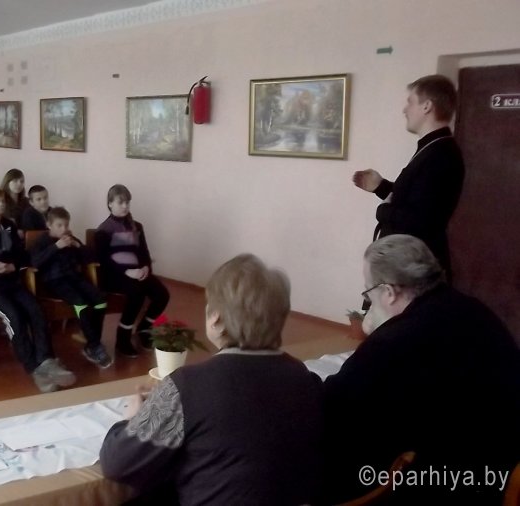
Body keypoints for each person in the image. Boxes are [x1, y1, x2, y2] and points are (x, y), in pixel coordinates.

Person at [100, 254, 323, 505]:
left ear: (215, 318)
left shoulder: (188, 386)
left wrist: (131, 419)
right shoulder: (303, 378)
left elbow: (117, 463)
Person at [322, 234, 520, 504]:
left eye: (369, 292)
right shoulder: (471, 308)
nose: (369, 303)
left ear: (389, 292)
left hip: (452, 482)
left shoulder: (396, 340)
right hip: (503, 464)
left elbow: (334, 404)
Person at [0, 199, 76, 393]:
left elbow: (25, 257)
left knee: (36, 311)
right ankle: (34, 368)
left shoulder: (7, 236)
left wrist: (12, 266)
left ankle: (46, 360)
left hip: (13, 284)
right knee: (14, 317)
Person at [352, 75, 464, 276]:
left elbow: (419, 221)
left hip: (417, 271)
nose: (405, 110)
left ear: (426, 106)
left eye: (410, 102)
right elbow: (417, 201)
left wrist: (382, 211)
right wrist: (381, 187)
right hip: (410, 265)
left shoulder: (441, 155)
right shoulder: (433, 148)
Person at [30, 207, 112, 368]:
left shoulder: (71, 238)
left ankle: (93, 341)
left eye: (66, 225)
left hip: (74, 278)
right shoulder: (42, 241)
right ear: (49, 225)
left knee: (101, 300)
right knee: (80, 303)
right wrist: (56, 247)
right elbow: (35, 262)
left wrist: (77, 245)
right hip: (54, 282)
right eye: (59, 225)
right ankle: (94, 345)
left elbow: (90, 257)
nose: (64, 229)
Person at [95, 184, 169, 358]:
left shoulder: (137, 226)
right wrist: (127, 272)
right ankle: (122, 338)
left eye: (127, 202)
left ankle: (144, 329)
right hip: (114, 275)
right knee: (137, 293)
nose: (125, 206)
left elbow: (143, 252)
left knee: (162, 294)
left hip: (137, 272)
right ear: (110, 204)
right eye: (120, 202)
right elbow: (104, 260)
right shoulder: (103, 230)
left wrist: (145, 267)